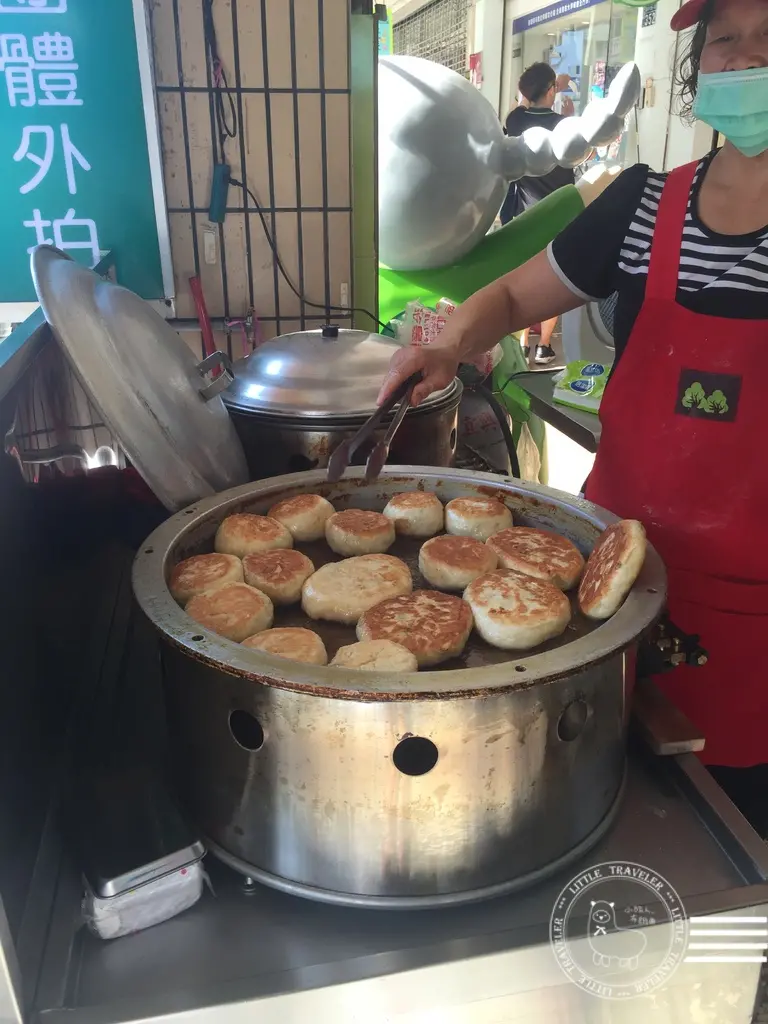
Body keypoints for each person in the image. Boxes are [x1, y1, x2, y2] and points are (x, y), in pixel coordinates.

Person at [379, 0, 768, 838]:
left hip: (757, 616)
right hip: (602, 579)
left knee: (730, 836)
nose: (744, 60)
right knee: (596, 803)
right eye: (725, 40)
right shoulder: (642, 205)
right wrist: (446, 346)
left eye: (767, 39)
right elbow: (513, 296)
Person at [499, 62, 575, 365]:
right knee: (552, 281)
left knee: (522, 279)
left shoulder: (516, 120)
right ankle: (543, 346)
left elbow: (519, 108)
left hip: (524, 214)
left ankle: (521, 342)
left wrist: (547, 86)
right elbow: (585, 152)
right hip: (559, 213)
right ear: (551, 91)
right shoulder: (563, 124)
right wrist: (571, 118)